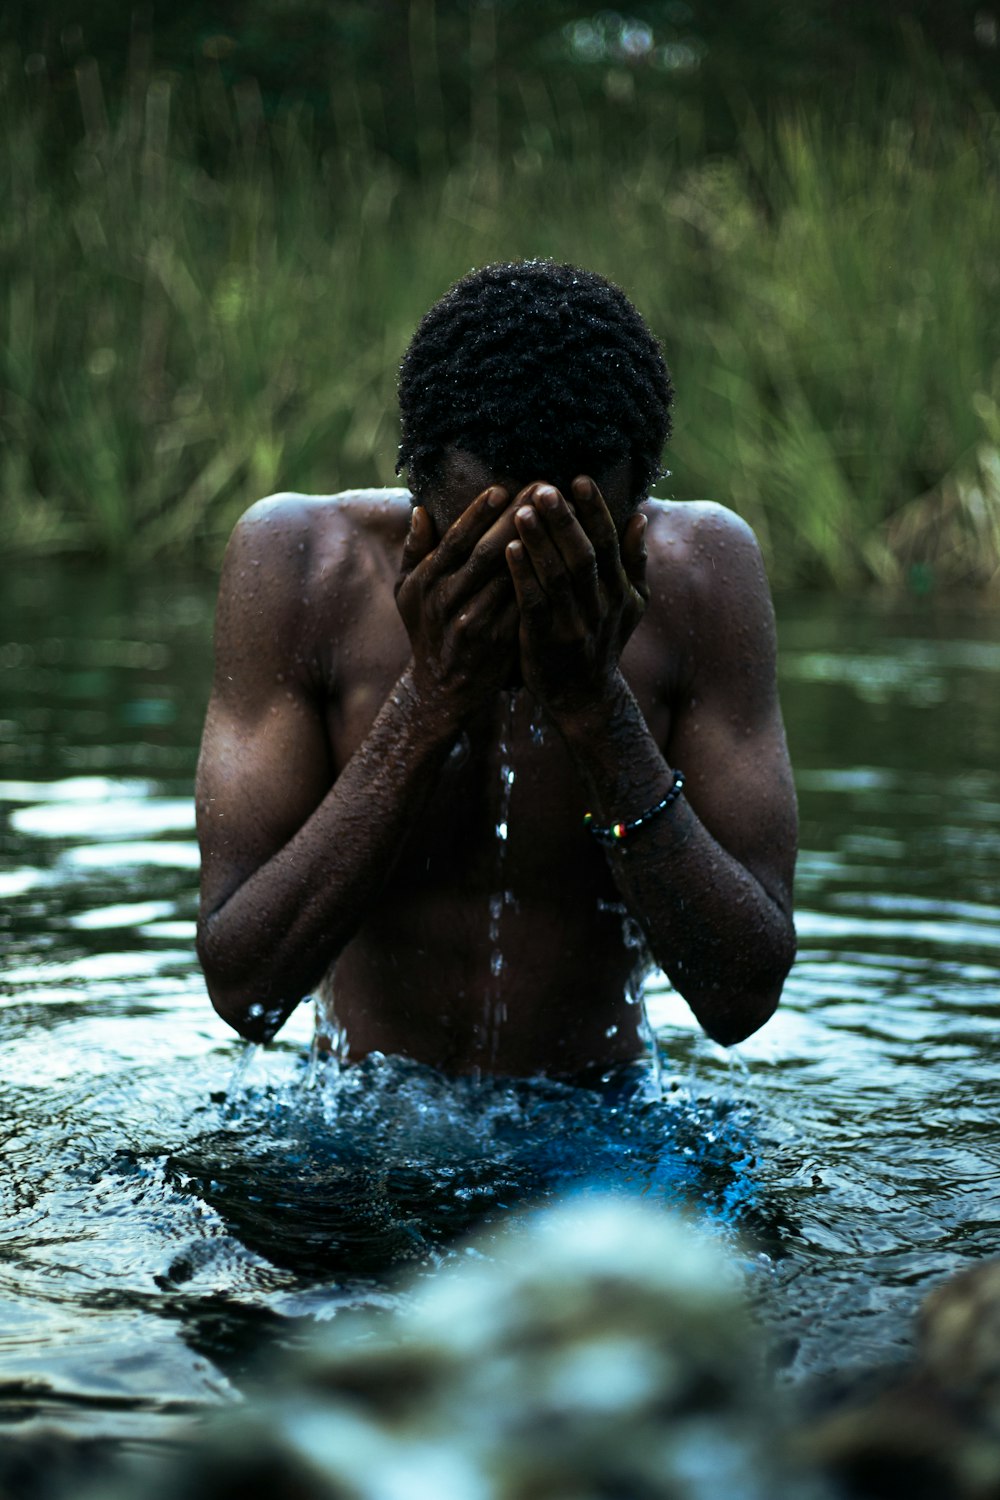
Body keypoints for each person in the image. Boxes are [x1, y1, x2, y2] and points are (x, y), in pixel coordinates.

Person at [195, 260, 797, 1077]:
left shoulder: (701, 577)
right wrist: (430, 699)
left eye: (572, 555)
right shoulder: (301, 566)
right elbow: (245, 992)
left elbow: (741, 1003)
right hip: (359, 1131)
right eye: (480, 554)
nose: (526, 590)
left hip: (599, 1134)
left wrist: (594, 706)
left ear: (635, 519)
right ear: (419, 500)